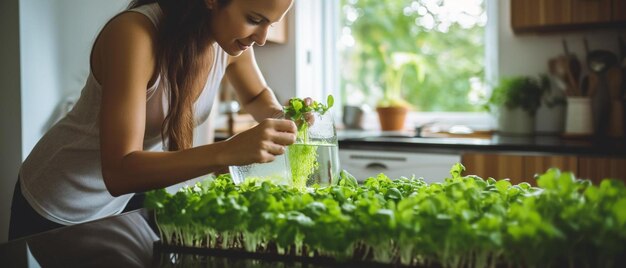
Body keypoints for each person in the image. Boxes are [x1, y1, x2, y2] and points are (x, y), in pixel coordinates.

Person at [9, 0, 296, 240]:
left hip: (121, 203)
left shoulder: (229, 43)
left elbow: (257, 96)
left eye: (271, 23)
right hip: (58, 202)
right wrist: (227, 152)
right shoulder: (134, 34)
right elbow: (119, 170)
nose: (261, 38)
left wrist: (285, 117)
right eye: (255, 19)